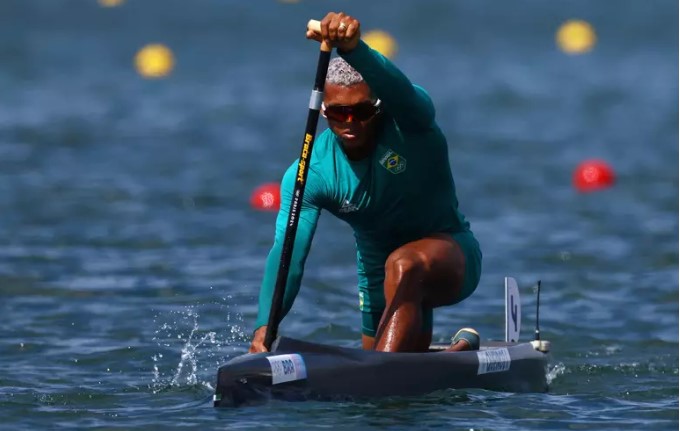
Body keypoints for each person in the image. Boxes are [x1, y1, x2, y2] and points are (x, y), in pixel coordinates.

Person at [249, 12, 482, 354]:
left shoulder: (411, 124)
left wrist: (355, 50)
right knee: (392, 380)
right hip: (375, 273)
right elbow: (288, 253)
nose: (350, 123)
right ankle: (450, 353)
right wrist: (265, 328)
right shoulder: (311, 172)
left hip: (451, 255)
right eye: (339, 113)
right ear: (324, 111)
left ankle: (390, 370)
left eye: (361, 111)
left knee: (404, 265)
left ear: (379, 104)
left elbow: (401, 91)